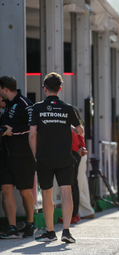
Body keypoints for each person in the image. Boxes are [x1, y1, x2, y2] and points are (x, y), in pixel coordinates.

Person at [29, 72, 83, 243]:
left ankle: (50, 232)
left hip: (44, 157)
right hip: (64, 157)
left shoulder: (37, 108)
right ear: (60, 89)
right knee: (67, 192)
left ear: (45, 89)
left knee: (47, 194)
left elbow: (31, 135)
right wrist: (69, 127)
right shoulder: (68, 109)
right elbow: (80, 130)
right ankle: (66, 232)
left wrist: (35, 156)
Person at [0, 76, 37, 239]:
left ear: (5, 89)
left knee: (24, 191)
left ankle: (30, 223)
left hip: (23, 156)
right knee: (6, 189)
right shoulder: (7, 106)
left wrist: (12, 131)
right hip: (6, 156)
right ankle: (12, 227)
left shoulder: (25, 103)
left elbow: (32, 128)